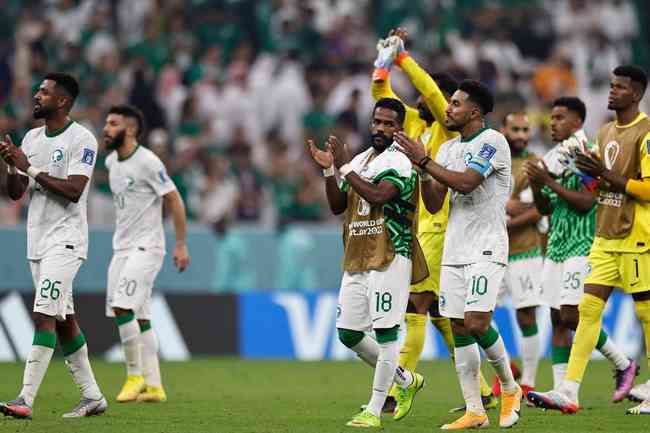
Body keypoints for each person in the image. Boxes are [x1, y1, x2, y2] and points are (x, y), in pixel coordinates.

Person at [371, 27, 496, 414]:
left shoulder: (444, 128)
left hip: (440, 224)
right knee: (442, 313)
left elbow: (428, 90)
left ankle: (397, 387)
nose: (432, 103)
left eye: (438, 99)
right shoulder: (414, 124)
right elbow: (382, 97)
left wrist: (404, 58)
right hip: (419, 224)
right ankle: (486, 389)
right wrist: (382, 64)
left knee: (417, 303)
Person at [395, 80, 522, 429]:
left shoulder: (492, 142)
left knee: (477, 323)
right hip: (454, 248)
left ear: (474, 112)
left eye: (455, 104)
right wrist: (422, 170)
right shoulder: (449, 148)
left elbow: (466, 183)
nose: (447, 109)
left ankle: (510, 389)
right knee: (458, 327)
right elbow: (435, 203)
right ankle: (475, 410)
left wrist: (423, 159)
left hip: (487, 246)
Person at [528, 65, 650, 415]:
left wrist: (603, 175)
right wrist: (589, 176)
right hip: (604, 236)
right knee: (585, 311)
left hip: (637, 236)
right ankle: (569, 390)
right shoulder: (606, 132)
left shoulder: (646, 133)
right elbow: (596, 190)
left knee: (646, 313)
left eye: (620, 87)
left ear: (636, 94)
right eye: (610, 86)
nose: (612, 92)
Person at [307, 97, 425, 428]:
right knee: (348, 333)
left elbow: (379, 195)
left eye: (389, 123)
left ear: (399, 128)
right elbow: (336, 205)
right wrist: (329, 169)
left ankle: (374, 410)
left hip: (390, 252)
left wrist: (344, 167)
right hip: (358, 254)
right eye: (377, 122)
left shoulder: (400, 161)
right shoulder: (360, 159)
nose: (381, 128)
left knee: (387, 332)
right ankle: (406, 381)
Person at [0, 73, 107, 419]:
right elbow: (16, 193)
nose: (36, 95)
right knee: (64, 320)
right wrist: (11, 165)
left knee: (44, 314)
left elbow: (74, 190)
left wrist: (27, 167)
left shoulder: (82, 139)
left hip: (66, 241)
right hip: (38, 242)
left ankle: (25, 400)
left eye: (44, 92)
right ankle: (93, 396)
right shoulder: (31, 137)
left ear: (61, 101)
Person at [103, 104, 190, 403]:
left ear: (130, 130)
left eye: (113, 123)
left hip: (147, 247)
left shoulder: (149, 162)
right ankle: (154, 386)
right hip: (121, 247)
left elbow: (175, 201)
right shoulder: (111, 162)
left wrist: (180, 244)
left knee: (122, 306)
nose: (106, 128)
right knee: (141, 316)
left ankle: (134, 376)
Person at [498, 112, 543, 400]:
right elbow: (510, 204)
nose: (521, 135)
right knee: (473, 316)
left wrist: (508, 219)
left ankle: (528, 380)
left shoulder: (535, 164)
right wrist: (509, 206)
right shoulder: (495, 158)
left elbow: (540, 207)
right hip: (493, 251)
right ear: (504, 128)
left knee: (526, 316)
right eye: (515, 129)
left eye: (525, 130)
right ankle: (506, 366)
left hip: (525, 251)